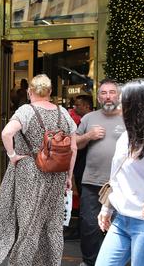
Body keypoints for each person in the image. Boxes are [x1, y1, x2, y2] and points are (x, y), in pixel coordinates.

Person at [0, 74, 78, 265]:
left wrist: (12, 156)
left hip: (30, 172)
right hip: (57, 174)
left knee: (29, 223)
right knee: (52, 225)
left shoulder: (26, 110)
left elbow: (6, 133)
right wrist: (69, 176)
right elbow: (73, 148)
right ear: (50, 92)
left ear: (29, 92)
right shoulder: (63, 112)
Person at [96, 79, 144, 266]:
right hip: (121, 219)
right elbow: (116, 177)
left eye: (124, 101)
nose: (120, 105)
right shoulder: (126, 136)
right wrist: (106, 208)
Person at [75, 79, 125, 266]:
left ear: (118, 95)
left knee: (122, 226)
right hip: (92, 182)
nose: (108, 96)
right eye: (104, 93)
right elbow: (74, 143)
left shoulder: (129, 117)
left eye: (112, 92)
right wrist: (88, 136)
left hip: (121, 184)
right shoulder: (89, 118)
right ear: (98, 97)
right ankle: (90, 262)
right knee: (89, 225)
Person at [65, 94, 93, 240]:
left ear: (87, 106)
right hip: (82, 165)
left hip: (86, 166)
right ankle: (82, 229)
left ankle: (83, 230)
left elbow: (76, 142)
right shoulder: (83, 120)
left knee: (86, 199)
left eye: (78, 105)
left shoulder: (89, 121)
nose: (75, 108)